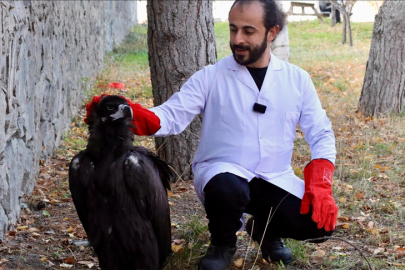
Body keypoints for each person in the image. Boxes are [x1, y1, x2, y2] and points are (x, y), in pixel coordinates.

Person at [87, 0, 338, 269]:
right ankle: (223, 243)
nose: (238, 39)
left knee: (320, 224)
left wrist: (321, 181)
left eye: (248, 31)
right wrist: (128, 112)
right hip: (224, 172)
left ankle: (265, 230)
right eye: (233, 29)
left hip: (274, 176)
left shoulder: (297, 80)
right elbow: (171, 116)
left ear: (272, 32)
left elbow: (321, 133)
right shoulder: (211, 77)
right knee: (228, 187)